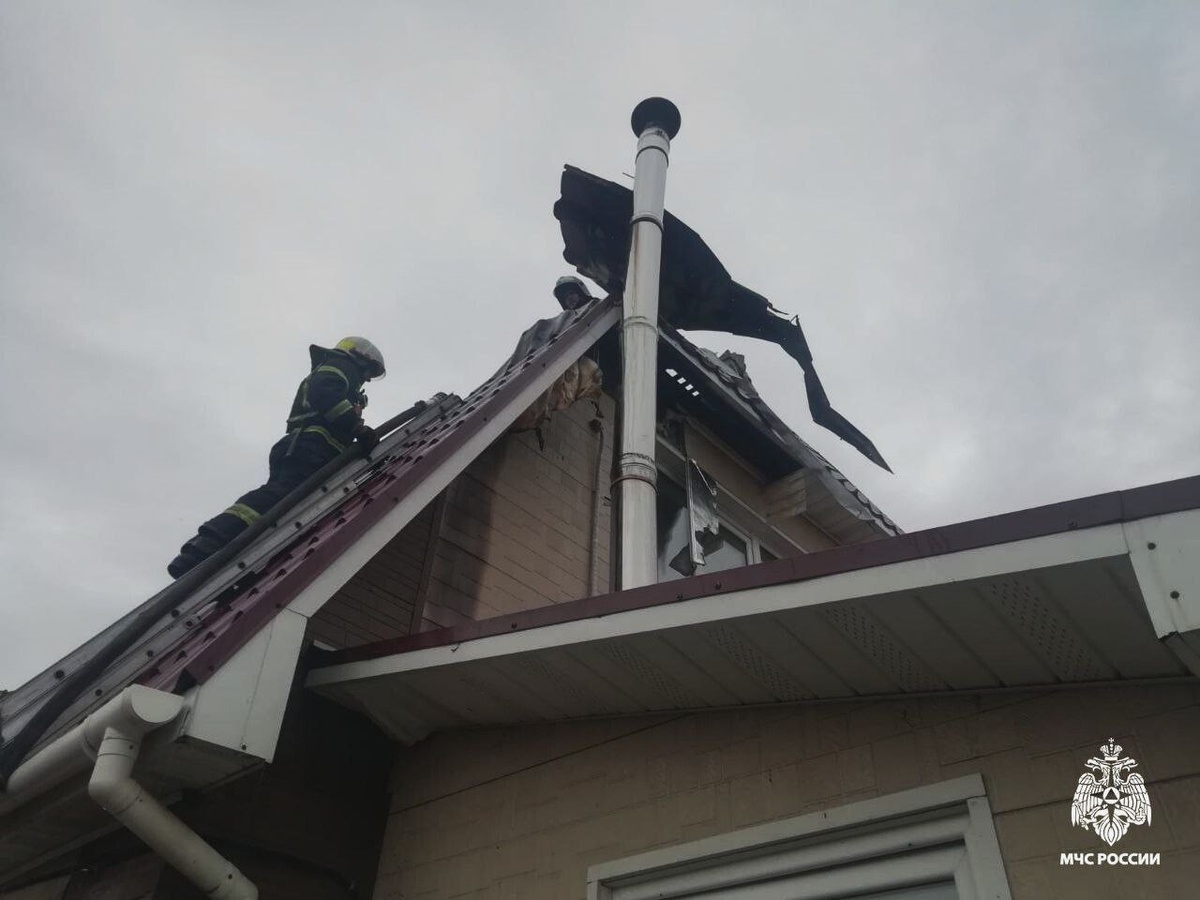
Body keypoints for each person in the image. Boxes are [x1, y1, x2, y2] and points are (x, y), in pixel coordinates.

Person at [167, 336, 386, 579]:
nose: (368, 377)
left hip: (307, 446)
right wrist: (356, 427)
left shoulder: (346, 378)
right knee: (282, 497)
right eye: (369, 369)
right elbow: (325, 394)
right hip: (312, 444)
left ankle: (237, 558)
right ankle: (208, 544)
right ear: (358, 357)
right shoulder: (341, 366)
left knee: (287, 506)